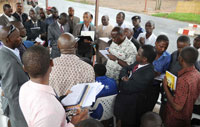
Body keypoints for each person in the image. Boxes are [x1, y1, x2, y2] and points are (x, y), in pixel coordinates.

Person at [19, 45, 88, 127]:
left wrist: (62, 98)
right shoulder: (49, 110)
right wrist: (73, 123)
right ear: (51, 63)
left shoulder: (24, 88)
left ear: (24, 68)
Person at [114, 45, 156, 127]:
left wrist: (123, 81)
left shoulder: (148, 73)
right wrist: (124, 77)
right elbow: (125, 68)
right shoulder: (138, 63)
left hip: (132, 108)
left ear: (144, 59)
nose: (136, 55)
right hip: (124, 103)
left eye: (138, 54)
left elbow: (127, 87)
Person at [163, 47, 200, 127]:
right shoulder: (197, 74)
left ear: (181, 59)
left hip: (175, 119)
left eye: (179, 56)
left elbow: (177, 107)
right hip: (187, 115)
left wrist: (165, 87)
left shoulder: (184, 80)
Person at [0, 25, 29, 127]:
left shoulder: (13, 50)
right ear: (8, 39)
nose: (20, 38)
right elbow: (12, 92)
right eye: (17, 37)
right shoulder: (8, 62)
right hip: (18, 109)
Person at [147, 35, 171, 112]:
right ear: (156, 43)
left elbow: (165, 72)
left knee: (149, 107)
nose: (163, 49)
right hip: (143, 83)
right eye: (161, 46)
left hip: (155, 86)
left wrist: (159, 74)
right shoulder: (148, 50)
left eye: (165, 47)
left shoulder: (167, 57)